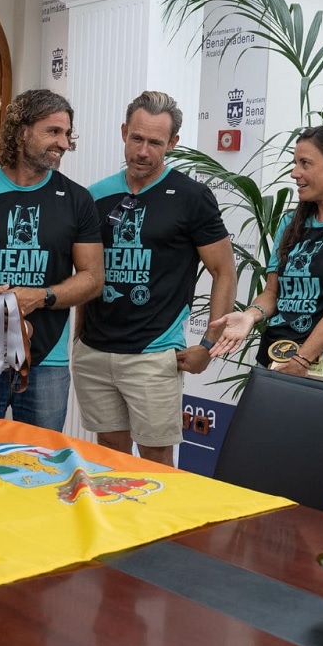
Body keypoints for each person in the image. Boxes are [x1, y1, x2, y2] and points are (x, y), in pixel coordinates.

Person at [73, 91, 236, 466]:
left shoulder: (192, 197)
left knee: (155, 460)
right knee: (109, 456)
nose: (143, 151)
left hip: (154, 355)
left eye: (155, 143)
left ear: (173, 144)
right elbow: (87, 272)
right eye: (136, 138)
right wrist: (79, 337)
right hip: (96, 353)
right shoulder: (95, 196)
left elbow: (223, 270)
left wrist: (209, 346)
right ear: (124, 132)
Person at [0, 89, 102, 431]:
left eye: (67, 134)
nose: (64, 143)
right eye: (53, 131)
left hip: (48, 360)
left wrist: (41, 296)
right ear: (22, 132)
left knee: (39, 468)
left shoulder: (77, 200)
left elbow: (93, 277)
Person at [209, 124, 323, 392]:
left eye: (305, 163)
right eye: (295, 163)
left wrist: (303, 359)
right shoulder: (291, 222)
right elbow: (273, 293)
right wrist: (250, 316)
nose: (295, 173)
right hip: (276, 362)